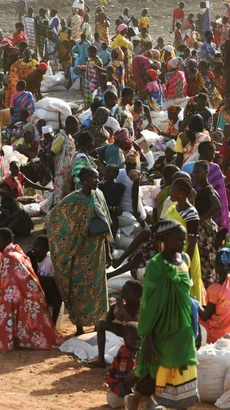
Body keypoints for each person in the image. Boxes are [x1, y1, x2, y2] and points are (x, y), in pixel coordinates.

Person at [135, 220, 198, 409]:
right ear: (166, 238)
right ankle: (137, 397)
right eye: (179, 238)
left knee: (185, 364)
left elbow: (188, 297)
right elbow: (150, 304)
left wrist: (196, 326)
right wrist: (148, 339)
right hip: (162, 328)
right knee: (160, 368)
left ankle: (181, 404)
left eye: (184, 239)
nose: (183, 242)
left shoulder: (185, 260)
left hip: (184, 326)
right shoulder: (155, 265)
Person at [46, 167, 113, 336]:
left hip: (97, 251)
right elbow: (54, 217)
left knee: (98, 288)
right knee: (79, 288)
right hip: (80, 251)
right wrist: (70, 236)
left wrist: (108, 251)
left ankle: (98, 323)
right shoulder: (74, 200)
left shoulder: (99, 195)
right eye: (94, 178)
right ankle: (80, 327)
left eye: (98, 178)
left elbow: (106, 224)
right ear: (84, 180)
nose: (97, 181)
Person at [0, 228, 62, 352]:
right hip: (28, 297)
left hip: (24, 298)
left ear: (7, 240)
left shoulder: (10, 257)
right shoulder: (15, 253)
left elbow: (7, 287)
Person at [87, 280, 142, 368]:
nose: (123, 295)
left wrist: (123, 310)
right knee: (101, 324)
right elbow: (108, 320)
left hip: (138, 336)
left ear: (137, 295)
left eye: (126, 293)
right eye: (122, 292)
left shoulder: (141, 306)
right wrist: (113, 308)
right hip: (126, 331)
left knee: (131, 335)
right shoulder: (125, 304)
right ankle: (100, 359)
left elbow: (134, 327)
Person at [167, 178, 204, 303]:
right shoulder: (174, 207)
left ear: (181, 193)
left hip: (185, 255)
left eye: (173, 191)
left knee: (187, 291)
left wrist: (185, 264)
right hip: (172, 253)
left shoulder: (191, 213)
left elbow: (192, 241)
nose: (170, 193)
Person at [182, 141, 229, 231]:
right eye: (213, 152)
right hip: (209, 213)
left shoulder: (188, 166)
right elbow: (221, 195)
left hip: (194, 210)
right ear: (206, 152)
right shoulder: (214, 168)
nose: (214, 156)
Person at [193, 161, 221, 288]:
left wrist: (202, 219)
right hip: (205, 227)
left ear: (206, 173)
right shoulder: (203, 188)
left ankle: (211, 289)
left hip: (205, 229)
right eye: (194, 172)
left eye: (197, 172)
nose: (194, 175)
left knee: (207, 260)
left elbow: (217, 206)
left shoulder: (208, 190)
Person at [42, 118, 77, 211]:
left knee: (66, 201)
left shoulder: (70, 138)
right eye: (75, 125)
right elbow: (50, 156)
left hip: (68, 174)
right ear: (69, 125)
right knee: (59, 201)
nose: (77, 128)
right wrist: (53, 174)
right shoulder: (61, 137)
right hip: (61, 174)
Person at [27, 235, 62, 326]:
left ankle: (52, 324)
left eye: (36, 246)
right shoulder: (30, 257)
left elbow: (58, 279)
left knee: (56, 292)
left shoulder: (51, 259)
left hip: (49, 292)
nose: (33, 248)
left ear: (46, 249)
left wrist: (38, 278)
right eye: (33, 245)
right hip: (36, 290)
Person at [199, 248, 230, 343]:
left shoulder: (214, 289)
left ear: (218, 266)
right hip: (227, 330)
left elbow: (206, 315)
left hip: (215, 334)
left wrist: (194, 303)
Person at [107, 322, 140, 409]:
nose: (136, 342)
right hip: (118, 386)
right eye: (132, 339)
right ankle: (129, 397)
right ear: (125, 339)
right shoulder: (126, 353)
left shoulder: (133, 349)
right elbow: (119, 378)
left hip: (124, 383)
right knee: (137, 372)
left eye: (139, 339)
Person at [117, 151, 146, 224]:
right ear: (136, 164)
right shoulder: (135, 175)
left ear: (125, 163)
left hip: (120, 205)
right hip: (130, 207)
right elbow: (135, 194)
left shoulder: (119, 172)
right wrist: (136, 213)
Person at [99, 164, 125, 238]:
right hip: (102, 215)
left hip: (112, 217)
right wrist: (112, 208)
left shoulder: (120, 188)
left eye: (108, 171)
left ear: (115, 174)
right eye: (105, 170)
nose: (105, 172)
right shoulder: (100, 187)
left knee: (111, 238)